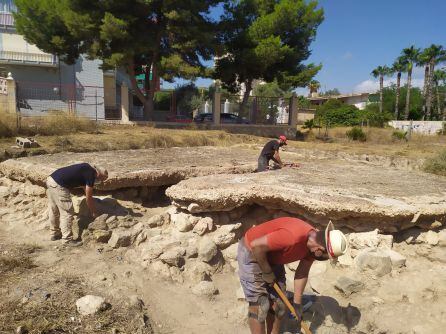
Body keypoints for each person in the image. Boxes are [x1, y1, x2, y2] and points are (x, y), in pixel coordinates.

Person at [237, 218, 348, 334]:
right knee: (260, 305)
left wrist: (297, 304)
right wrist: (267, 272)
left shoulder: (312, 246)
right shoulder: (292, 237)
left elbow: (302, 272)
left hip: (273, 257)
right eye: (326, 257)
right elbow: (256, 247)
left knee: (279, 306)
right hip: (252, 252)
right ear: (319, 251)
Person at [46, 163, 108, 246]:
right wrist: (94, 212)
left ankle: (54, 234)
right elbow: (88, 198)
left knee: (54, 209)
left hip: (51, 180)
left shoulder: (87, 168)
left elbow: (84, 188)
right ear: (98, 174)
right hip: (59, 185)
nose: (101, 182)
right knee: (67, 212)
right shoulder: (91, 175)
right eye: (101, 179)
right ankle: (67, 240)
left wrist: (88, 195)